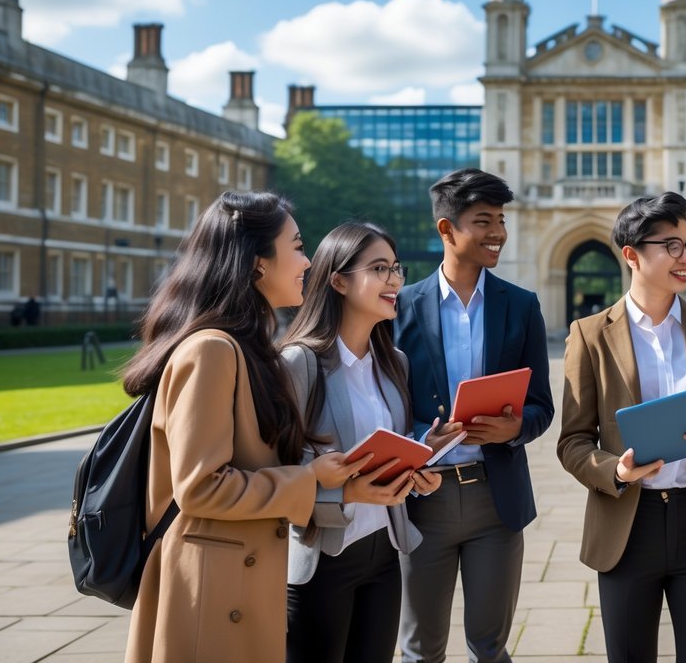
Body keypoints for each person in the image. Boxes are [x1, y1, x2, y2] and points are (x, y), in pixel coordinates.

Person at [122, 191, 367, 663]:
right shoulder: (211, 350)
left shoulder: (248, 348)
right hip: (211, 596)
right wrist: (311, 479)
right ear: (257, 264)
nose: (308, 259)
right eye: (296, 246)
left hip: (237, 584)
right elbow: (200, 488)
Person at [558, 192, 686, 662]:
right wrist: (616, 471)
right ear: (632, 254)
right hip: (628, 526)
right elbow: (572, 443)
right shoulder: (588, 335)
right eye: (672, 245)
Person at [394, 168, 555, 663]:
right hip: (423, 501)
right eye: (484, 220)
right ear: (447, 229)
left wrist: (516, 428)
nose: (498, 233)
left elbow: (543, 407)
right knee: (421, 649)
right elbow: (383, 403)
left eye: (501, 220)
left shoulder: (522, 306)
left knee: (490, 647)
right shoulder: (399, 307)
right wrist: (424, 437)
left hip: (496, 499)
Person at [280, 221, 444, 662]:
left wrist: (418, 467)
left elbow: (388, 444)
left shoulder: (396, 363)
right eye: (378, 268)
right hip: (320, 556)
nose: (394, 280)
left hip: (384, 553)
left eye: (396, 268)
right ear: (338, 280)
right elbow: (274, 472)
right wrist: (343, 489)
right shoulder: (298, 363)